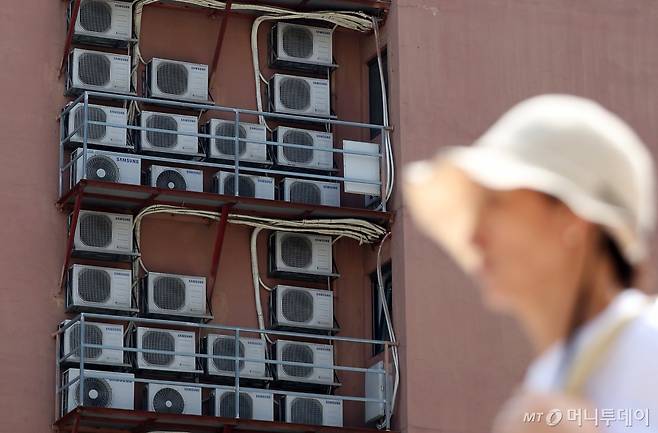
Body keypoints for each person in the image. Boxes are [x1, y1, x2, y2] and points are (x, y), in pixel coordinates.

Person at [403, 95, 658, 433]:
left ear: (572, 217)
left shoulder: (648, 345)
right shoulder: (545, 384)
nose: (474, 239)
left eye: (497, 203)